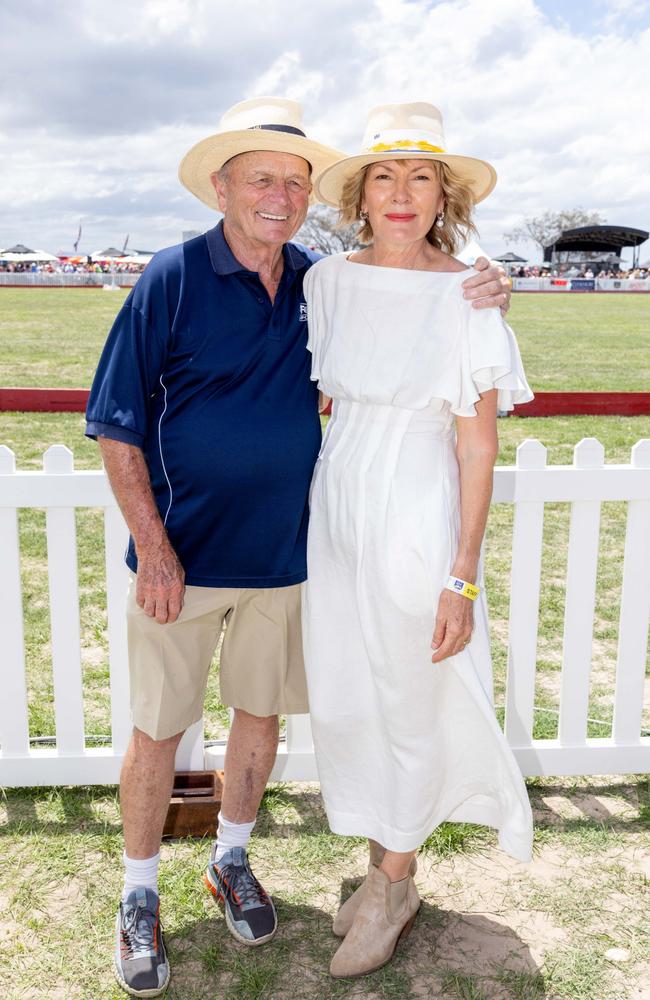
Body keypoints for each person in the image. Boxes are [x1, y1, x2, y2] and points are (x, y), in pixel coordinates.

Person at [85, 96, 512, 997]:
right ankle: (138, 894)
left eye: (292, 180)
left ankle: (250, 863)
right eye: (258, 178)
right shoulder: (196, 277)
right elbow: (114, 422)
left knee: (267, 720)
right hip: (205, 553)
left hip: (299, 547)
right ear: (221, 185)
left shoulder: (324, 280)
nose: (277, 195)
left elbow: (459, 396)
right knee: (164, 726)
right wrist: (152, 548)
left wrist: (487, 278)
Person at [301, 102, 535, 979]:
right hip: (338, 496)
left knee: (411, 690)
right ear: (361, 195)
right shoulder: (326, 283)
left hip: (414, 496)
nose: (402, 194)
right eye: (385, 178)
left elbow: (477, 442)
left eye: (422, 177)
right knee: (350, 687)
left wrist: (461, 575)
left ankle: (394, 884)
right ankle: (382, 866)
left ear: (446, 196)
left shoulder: (469, 295)